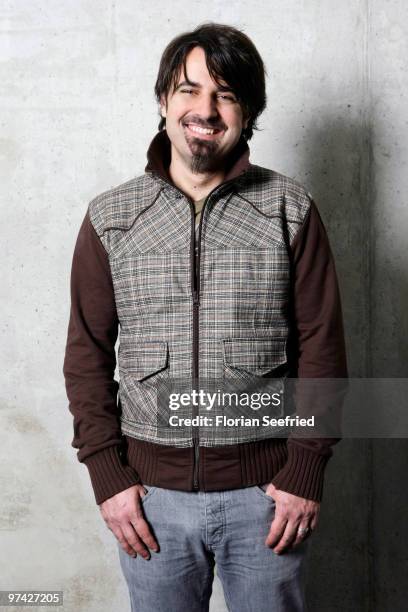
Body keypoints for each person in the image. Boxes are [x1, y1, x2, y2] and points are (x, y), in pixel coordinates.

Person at [63, 22, 348, 612]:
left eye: (226, 94)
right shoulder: (112, 218)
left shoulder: (288, 210)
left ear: (247, 112)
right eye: (189, 90)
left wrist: (304, 471)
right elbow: (86, 356)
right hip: (150, 502)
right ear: (165, 100)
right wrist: (108, 480)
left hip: (267, 499)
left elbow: (323, 347)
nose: (206, 109)